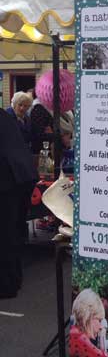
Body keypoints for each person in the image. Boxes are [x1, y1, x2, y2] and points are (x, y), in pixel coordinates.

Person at [0, 108, 37, 299]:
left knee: (5, 233)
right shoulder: (4, 115)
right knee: (13, 231)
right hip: (22, 176)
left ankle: (7, 285)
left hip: (8, 179)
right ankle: (13, 279)